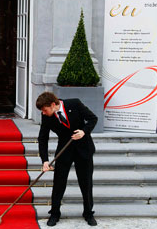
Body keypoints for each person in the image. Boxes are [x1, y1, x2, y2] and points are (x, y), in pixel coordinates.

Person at [35, 92, 98, 227]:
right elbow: (43, 138)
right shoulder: (46, 115)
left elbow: (93, 118)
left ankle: (88, 213)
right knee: (58, 183)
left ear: (53, 105)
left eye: (45, 110)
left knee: (86, 183)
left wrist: (84, 132)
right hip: (64, 151)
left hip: (84, 149)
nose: (44, 113)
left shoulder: (74, 103)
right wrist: (45, 161)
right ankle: (54, 213)